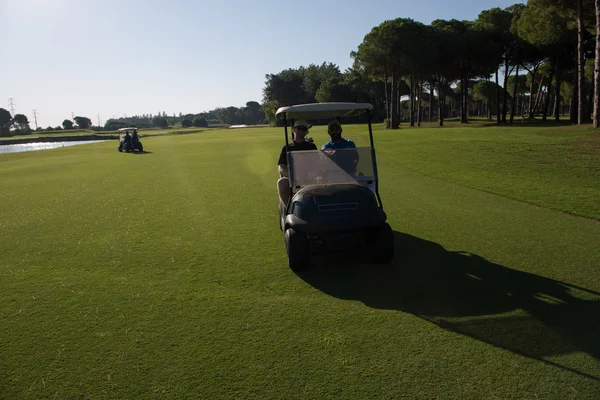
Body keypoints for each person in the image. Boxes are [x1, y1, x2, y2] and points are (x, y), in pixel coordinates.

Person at [277, 119, 317, 205]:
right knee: (282, 183)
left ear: (307, 132)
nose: (301, 131)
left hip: (309, 177)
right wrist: (292, 176)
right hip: (293, 178)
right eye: (299, 128)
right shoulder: (287, 148)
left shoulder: (311, 146)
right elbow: (281, 167)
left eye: (304, 129)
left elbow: (316, 164)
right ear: (293, 129)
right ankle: (290, 208)